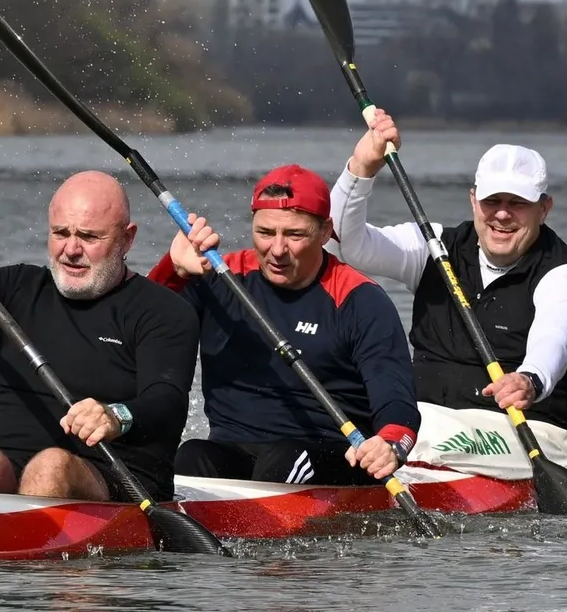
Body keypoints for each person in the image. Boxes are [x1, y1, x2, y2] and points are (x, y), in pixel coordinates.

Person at [0, 171, 201, 503]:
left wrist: (117, 415)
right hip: (15, 474)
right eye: (60, 233)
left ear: (127, 239)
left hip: (118, 482)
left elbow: (167, 400)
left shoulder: (164, 311)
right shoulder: (14, 290)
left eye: (89, 237)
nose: (71, 250)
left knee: (51, 467)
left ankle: (24, 552)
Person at [327, 108, 567, 464]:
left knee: (409, 436)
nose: (501, 214)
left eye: (518, 203)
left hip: (531, 433)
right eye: (492, 201)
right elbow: (344, 244)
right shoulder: (433, 246)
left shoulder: (566, 274)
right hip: (426, 425)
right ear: (473, 200)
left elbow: (555, 340)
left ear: (544, 208)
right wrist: (361, 169)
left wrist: (530, 379)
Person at [147, 164, 419, 486]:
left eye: (294, 234)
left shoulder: (359, 300)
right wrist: (173, 271)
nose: (277, 250)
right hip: (232, 449)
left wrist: (389, 443)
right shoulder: (220, 276)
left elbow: (397, 401)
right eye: (265, 233)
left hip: (329, 454)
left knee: (286, 459)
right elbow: (141, 330)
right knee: (191, 454)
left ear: (325, 231)